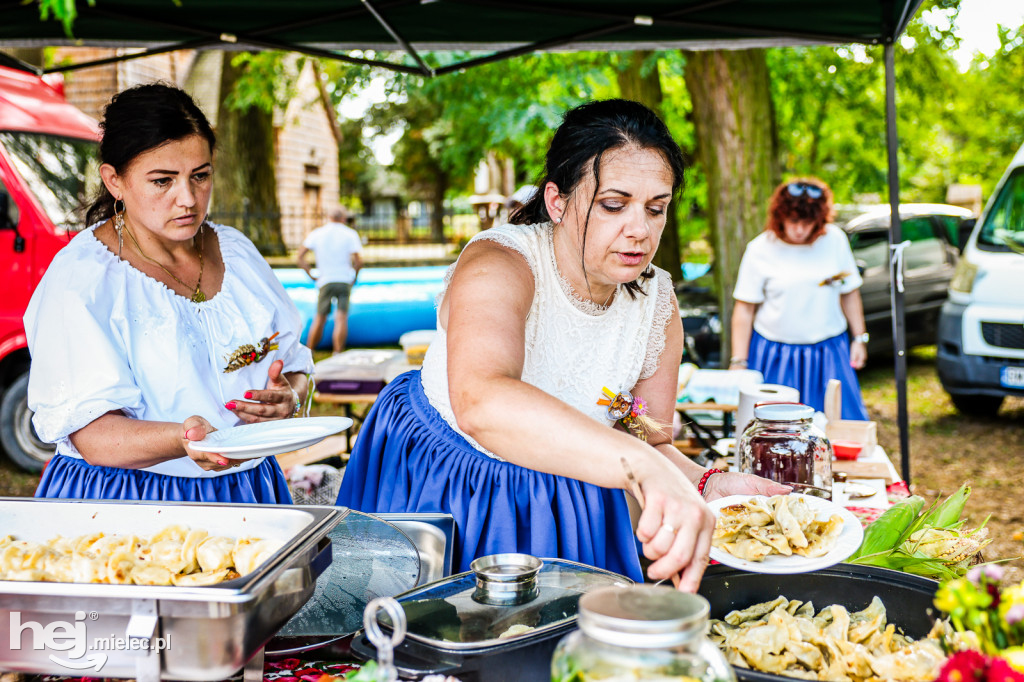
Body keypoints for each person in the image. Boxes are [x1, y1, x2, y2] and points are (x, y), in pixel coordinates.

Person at [337, 99, 786, 590]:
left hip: (574, 497)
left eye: (656, 209)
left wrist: (705, 483)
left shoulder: (658, 305)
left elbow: (646, 435)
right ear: (557, 201)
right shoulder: (501, 264)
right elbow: (482, 400)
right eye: (614, 205)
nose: (639, 230)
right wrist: (638, 465)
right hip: (458, 484)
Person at [25, 83, 313, 503]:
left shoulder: (237, 253)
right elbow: (93, 434)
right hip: (129, 498)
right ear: (115, 181)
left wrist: (287, 397)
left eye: (201, 175)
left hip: (247, 487)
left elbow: (293, 367)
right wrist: (184, 438)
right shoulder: (83, 278)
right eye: (163, 181)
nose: (189, 199)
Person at [730, 178, 870, 419]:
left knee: (839, 425)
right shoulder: (760, 249)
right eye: (794, 221)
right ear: (780, 216)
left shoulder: (835, 240)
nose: (800, 229)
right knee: (776, 431)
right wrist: (738, 362)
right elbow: (744, 309)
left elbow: (849, 293)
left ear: (820, 219)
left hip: (829, 354)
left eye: (807, 222)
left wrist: (859, 338)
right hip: (776, 356)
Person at [297, 206, 363, 353]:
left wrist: (311, 274)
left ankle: (310, 351)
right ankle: (337, 352)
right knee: (341, 318)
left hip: (325, 280)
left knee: (320, 317)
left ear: (328, 217)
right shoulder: (350, 234)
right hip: (344, 280)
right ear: (344, 218)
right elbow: (359, 262)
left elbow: (300, 257)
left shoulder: (317, 233)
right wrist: (354, 278)